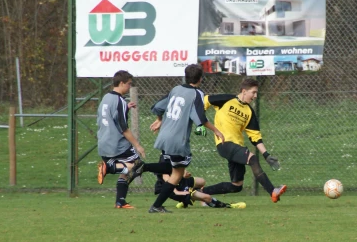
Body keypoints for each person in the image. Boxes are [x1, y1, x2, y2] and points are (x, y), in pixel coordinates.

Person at [147, 64, 224, 213]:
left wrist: (160, 119)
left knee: (172, 169)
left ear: (185, 76)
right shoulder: (197, 94)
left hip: (164, 136)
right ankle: (144, 171)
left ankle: (154, 199)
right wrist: (216, 131)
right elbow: (200, 118)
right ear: (201, 78)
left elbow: (158, 107)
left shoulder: (175, 89)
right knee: (177, 174)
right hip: (177, 139)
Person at [202, 77, 287, 203]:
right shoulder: (227, 99)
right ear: (244, 91)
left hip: (237, 147)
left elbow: (255, 137)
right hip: (224, 143)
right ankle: (272, 191)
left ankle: (199, 193)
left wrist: (266, 155)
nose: (255, 96)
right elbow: (205, 100)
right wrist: (200, 122)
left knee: (236, 186)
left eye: (256, 93)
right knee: (252, 159)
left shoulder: (249, 112)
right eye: (253, 92)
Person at [96, 70, 151, 209]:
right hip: (116, 143)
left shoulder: (106, 98)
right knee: (137, 165)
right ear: (121, 83)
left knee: (127, 171)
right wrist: (138, 145)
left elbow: (110, 115)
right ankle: (108, 167)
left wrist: (125, 108)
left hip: (103, 141)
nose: (129, 87)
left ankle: (120, 202)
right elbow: (123, 128)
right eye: (128, 84)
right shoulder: (119, 100)